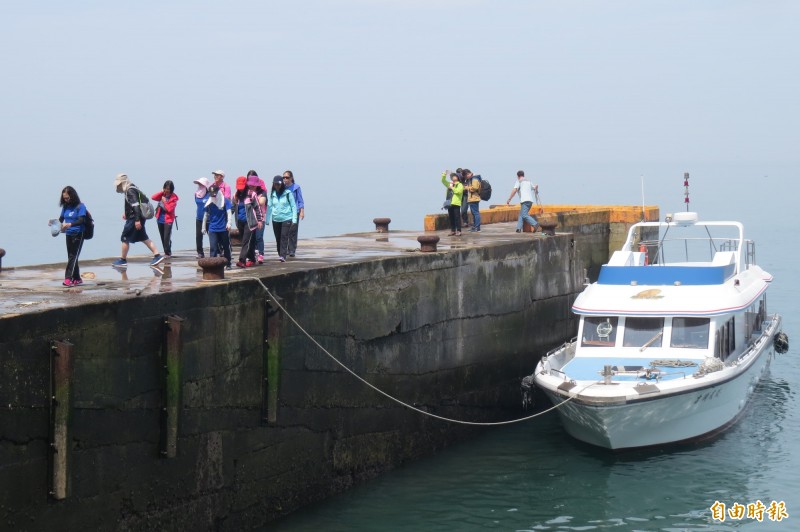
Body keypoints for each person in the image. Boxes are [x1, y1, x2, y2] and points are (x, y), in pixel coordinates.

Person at [112, 173, 165, 268]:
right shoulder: (133, 187)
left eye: (119, 184)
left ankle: (122, 260)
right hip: (138, 217)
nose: (118, 186)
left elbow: (136, 206)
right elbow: (131, 204)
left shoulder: (130, 191)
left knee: (124, 238)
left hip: (135, 218)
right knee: (143, 237)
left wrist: (136, 220)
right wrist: (126, 213)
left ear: (123, 183)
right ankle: (157, 255)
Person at [57, 186, 87, 286]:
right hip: (68, 233)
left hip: (78, 233)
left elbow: (81, 220)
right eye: (64, 198)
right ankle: (77, 278)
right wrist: (54, 223)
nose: (66, 200)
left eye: (67, 198)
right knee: (72, 256)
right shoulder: (65, 206)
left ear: (72, 196)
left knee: (73, 256)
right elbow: (61, 219)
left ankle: (68, 278)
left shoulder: (80, 206)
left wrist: (70, 224)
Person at [235, 175, 265, 268]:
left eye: (242, 187)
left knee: (245, 242)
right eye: (238, 188)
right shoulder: (236, 196)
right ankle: (252, 258)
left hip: (250, 222)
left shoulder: (252, 194)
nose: (240, 190)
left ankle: (242, 261)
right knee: (248, 242)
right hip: (240, 222)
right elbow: (232, 208)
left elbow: (257, 208)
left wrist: (259, 220)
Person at [267, 175, 297, 262]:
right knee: (278, 238)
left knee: (284, 236)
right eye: (275, 184)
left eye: (278, 184)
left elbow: (293, 206)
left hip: (287, 218)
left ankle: (283, 255)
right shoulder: (272, 195)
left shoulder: (288, 193)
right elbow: (269, 207)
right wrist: (267, 219)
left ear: (282, 184)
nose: (277, 186)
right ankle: (280, 253)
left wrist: (294, 219)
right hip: (276, 219)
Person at [202, 184, 233, 268]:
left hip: (223, 228)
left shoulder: (225, 201)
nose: (214, 196)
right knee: (213, 247)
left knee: (226, 246)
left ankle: (228, 263)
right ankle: (213, 265)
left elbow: (229, 212)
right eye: (212, 194)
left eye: (215, 194)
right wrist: (203, 227)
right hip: (212, 228)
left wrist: (229, 223)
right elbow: (205, 215)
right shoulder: (209, 202)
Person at [151, 180, 179, 257]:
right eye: (165, 188)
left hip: (168, 220)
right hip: (160, 219)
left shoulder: (174, 198)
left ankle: (168, 253)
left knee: (166, 237)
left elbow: (169, 209)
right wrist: (161, 192)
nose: (167, 190)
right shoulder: (163, 195)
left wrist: (164, 201)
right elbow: (153, 197)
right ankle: (166, 251)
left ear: (171, 189)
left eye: (168, 189)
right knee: (162, 237)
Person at [282, 170, 304, 257]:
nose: (285, 179)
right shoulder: (282, 188)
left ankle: (292, 250)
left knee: (293, 231)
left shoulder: (296, 187)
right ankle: (285, 249)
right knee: (285, 232)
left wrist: (302, 211)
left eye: (287, 177)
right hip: (285, 212)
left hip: (295, 212)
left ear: (291, 178)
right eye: (284, 177)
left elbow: (300, 200)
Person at [193, 177, 211, 258]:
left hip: (209, 219)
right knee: (198, 236)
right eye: (199, 184)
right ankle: (200, 253)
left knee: (211, 235)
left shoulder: (209, 194)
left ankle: (216, 251)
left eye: (202, 184)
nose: (200, 186)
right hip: (199, 218)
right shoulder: (196, 194)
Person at [441, 170, 463, 236]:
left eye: (455, 176)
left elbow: (458, 191)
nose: (453, 177)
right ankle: (453, 230)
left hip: (456, 203)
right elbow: (443, 181)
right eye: (453, 176)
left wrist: (452, 188)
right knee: (451, 217)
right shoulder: (450, 184)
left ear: (458, 178)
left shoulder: (460, 185)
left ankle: (459, 230)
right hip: (449, 203)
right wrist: (444, 174)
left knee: (457, 217)